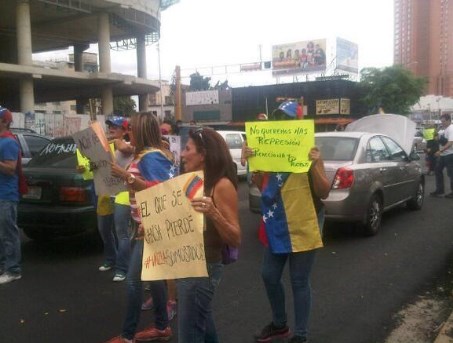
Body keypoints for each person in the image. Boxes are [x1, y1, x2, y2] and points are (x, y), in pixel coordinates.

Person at [247, 101, 330, 343]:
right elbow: (261, 186)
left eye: (287, 118)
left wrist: (313, 165)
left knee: (299, 280)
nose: (282, 122)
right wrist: (253, 166)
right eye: (279, 118)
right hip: (279, 222)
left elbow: (324, 192)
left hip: (305, 222)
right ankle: (280, 324)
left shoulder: (311, 153)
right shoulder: (270, 150)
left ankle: (301, 334)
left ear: (298, 124)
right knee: (268, 275)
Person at [105, 112, 177, 343]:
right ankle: (162, 326)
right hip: (145, 226)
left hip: (153, 228)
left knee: (134, 281)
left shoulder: (151, 157)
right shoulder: (145, 155)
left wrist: (126, 176)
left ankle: (127, 336)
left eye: (132, 129)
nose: (128, 133)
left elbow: (162, 191)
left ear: (142, 131)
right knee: (154, 279)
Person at [177, 127, 241, 342]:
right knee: (202, 324)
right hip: (186, 263)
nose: (182, 154)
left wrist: (214, 213)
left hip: (204, 267)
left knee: (189, 334)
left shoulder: (221, 186)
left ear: (203, 154)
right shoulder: (189, 181)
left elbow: (235, 238)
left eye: (187, 149)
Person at [106, 116, 134, 282]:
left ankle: (123, 269)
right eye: (110, 126)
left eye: (115, 127)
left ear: (125, 131)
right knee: (109, 231)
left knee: (122, 233)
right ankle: (116, 261)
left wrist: (114, 140)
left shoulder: (128, 145)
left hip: (124, 193)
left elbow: (124, 148)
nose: (111, 129)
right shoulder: (111, 144)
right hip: (110, 192)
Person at [0, 107, 22, 285]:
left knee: (8, 233)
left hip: (6, 195)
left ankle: (13, 269)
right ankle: (4, 266)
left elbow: (9, 168)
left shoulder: (9, 142)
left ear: (5, 121)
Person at [431, 113, 453, 198]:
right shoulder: (445, 129)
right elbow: (443, 140)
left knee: (451, 174)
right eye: (441, 121)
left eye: (443, 121)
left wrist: (440, 150)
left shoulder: (451, 128)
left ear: (449, 120)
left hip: (450, 155)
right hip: (444, 155)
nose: (442, 123)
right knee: (437, 170)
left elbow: (450, 143)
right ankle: (440, 190)